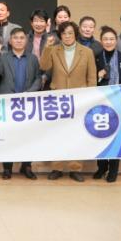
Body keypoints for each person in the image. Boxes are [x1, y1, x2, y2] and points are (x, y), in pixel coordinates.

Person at [39, 21, 97, 182]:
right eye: (64, 33)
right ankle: (57, 167)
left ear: (76, 34)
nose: (67, 36)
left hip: (80, 100)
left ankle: (75, 168)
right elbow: (44, 66)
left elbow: (92, 77)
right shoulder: (54, 50)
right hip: (58, 99)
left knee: (77, 134)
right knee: (57, 134)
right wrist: (47, 47)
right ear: (60, 36)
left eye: (70, 33)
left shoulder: (87, 52)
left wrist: (90, 97)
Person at [0, 27, 42, 180]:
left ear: (26, 41)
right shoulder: (4, 57)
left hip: (27, 103)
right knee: (8, 136)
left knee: (28, 137)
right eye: (15, 38)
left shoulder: (33, 58)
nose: (19, 40)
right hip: (8, 104)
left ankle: (26, 166)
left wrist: (30, 92)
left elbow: (38, 78)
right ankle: (7, 168)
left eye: (22, 38)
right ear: (10, 41)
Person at [93, 26, 121, 183]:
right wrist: (98, 76)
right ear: (101, 41)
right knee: (100, 135)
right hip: (99, 104)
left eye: (111, 39)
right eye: (105, 39)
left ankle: (113, 169)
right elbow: (90, 80)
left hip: (118, 104)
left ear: (116, 41)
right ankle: (101, 167)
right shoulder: (96, 58)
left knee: (116, 136)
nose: (108, 42)